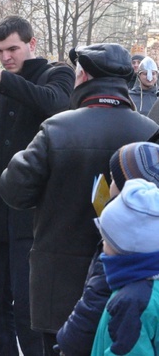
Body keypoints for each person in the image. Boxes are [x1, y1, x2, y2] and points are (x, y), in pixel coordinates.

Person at [0, 43, 159, 355]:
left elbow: (14, 191)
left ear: (83, 76)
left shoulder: (57, 128)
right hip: (133, 286)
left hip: (57, 288)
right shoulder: (150, 131)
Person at [0, 15, 76, 356]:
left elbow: (54, 104)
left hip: (33, 217)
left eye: (13, 49)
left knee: (29, 312)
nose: (6, 57)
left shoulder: (56, 74)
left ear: (31, 44)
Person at [56, 141, 159, 355]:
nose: (104, 245)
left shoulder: (131, 297)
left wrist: (69, 343)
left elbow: (94, 303)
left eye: (112, 179)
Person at [90, 179, 159, 355]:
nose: (103, 245)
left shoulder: (132, 301)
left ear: (124, 247)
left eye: (106, 239)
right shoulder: (145, 286)